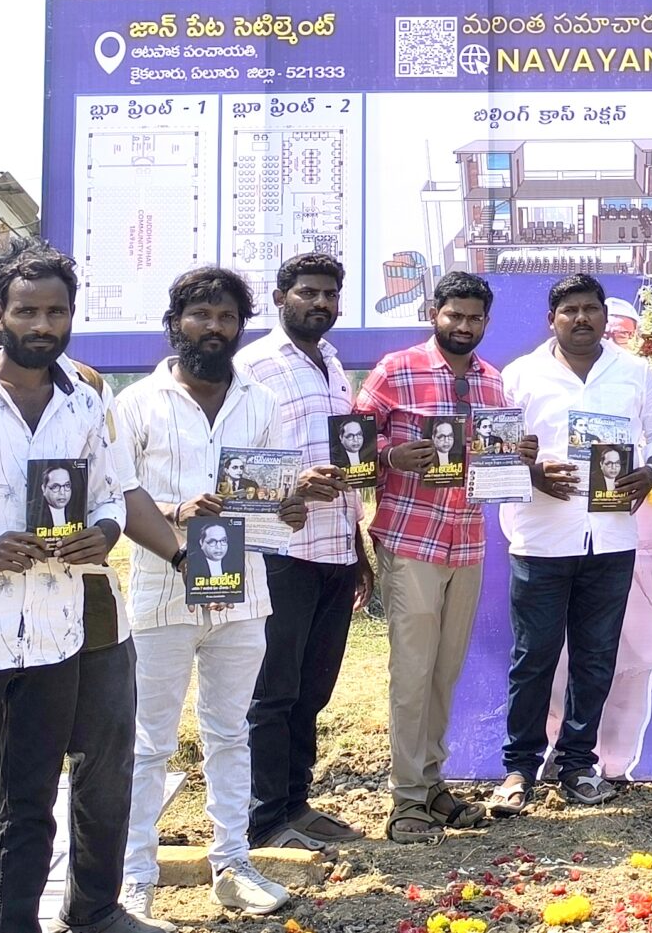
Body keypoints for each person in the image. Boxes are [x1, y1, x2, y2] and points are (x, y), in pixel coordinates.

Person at [0, 243, 181, 933]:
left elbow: (110, 494)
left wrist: (101, 535)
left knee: (32, 806)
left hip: (56, 638)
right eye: (26, 310)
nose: (42, 324)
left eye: (56, 310)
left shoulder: (86, 398)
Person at [114, 267, 330, 917]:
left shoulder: (261, 403)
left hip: (242, 594)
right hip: (163, 588)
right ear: (175, 321)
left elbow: (269, 507)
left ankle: (232, 863)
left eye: (228, 316)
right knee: (148, 741)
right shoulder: (136, 405)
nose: (214, 326)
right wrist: (178, 510)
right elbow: (115, 499)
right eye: (201, 313)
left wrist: (290, 506)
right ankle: (134, 877)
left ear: (241, 327)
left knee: (231, 732)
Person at [493, 275, 652, 812]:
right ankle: (518, 769)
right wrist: (530, 473)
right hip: (541, 539)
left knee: (597, 657)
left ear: (604, 316)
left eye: (591, 309)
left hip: (613, 536)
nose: (582, 319)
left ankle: (577, 763)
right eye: (570, 310)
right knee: (534, 657)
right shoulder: (520, 376)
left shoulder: (635, 374)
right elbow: (495, 451)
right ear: (551, 319)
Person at [536, 295, 652, 782]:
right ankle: (551, 752)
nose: (611, 336)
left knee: (631, 653)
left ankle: (611, 760)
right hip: (555, 537)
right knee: (555, 654)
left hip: (635, 539)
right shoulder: (535, 375)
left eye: (622, 330)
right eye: (607, 328)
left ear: (639, 335)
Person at [360, 272, 506, 843]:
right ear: (433, 313)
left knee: (445, 672)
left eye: (474, 318)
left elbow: (496, 470)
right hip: (411, 538)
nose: (464, 326)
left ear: (485, 323)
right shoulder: (396, 370)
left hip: (467, 539)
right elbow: (349, 443)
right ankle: (405, 801)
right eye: (455, 316)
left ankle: (431, 782)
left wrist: (515, 457)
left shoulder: (494, 385)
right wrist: (393, 454)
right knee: (412, 673)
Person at [235, 252, 371, 853]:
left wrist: (358, 543)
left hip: (336, 549)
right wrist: (292, 484)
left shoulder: (335, 366)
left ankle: (296, 802)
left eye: (330, 295)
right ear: (279, 296)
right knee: (273, 690)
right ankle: (263, 818)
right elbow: (236, 459)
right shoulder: (253, 367)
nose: (321, 304)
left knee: (312, 689)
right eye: (308, 293)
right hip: (280, 552)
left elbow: (348, 460)